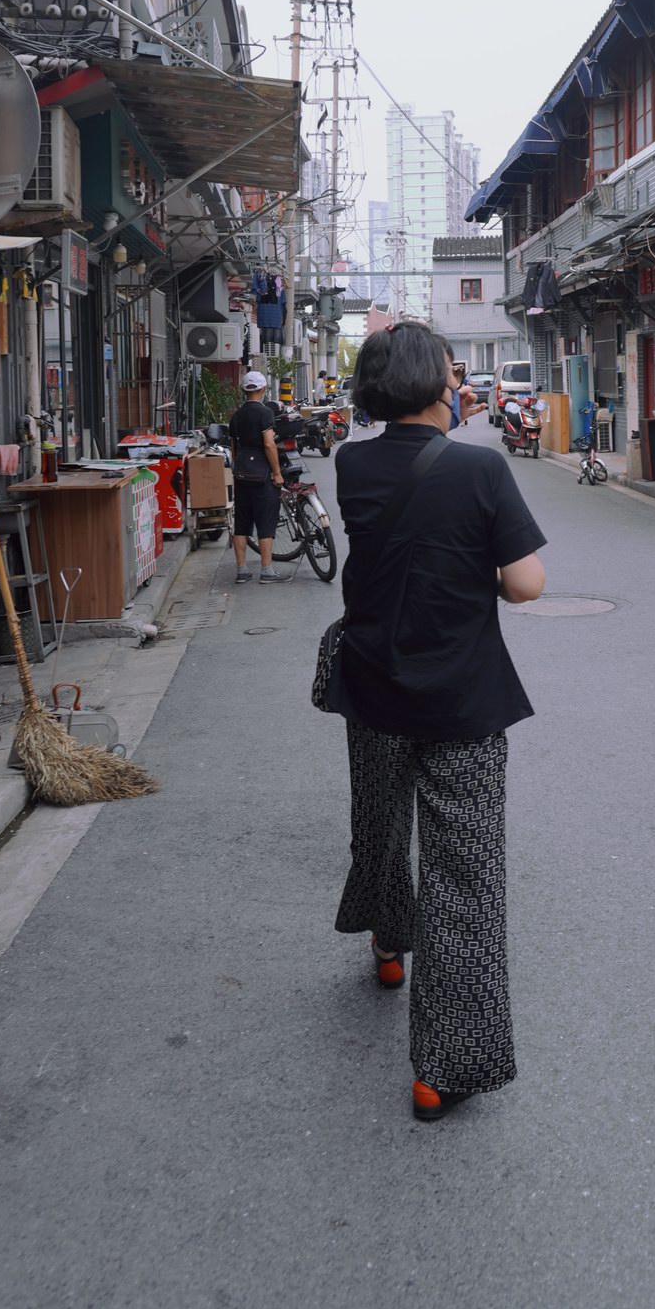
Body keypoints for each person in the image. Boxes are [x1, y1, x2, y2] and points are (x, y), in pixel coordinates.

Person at [326, 321, 546, 1122]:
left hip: (374, 687)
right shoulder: (481, 468)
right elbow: (525, 585)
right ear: (437, 385)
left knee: (380, 827)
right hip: (462, 701)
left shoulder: (350, 462)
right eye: (454, 375)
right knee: (466, 881)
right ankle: (442, 1069)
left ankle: (388, 944)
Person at [228, 370, 284, 583]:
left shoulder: (236, 416)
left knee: (241, 523)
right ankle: (267, 570)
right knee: (265, 521)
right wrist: (277, 473)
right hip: (261, 474)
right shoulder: (265, 413)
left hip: (241, 474)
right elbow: (269, 443)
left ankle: (241, 570)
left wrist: (237, 469)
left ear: (244, 391)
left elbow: (234, 447)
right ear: (262, 390)